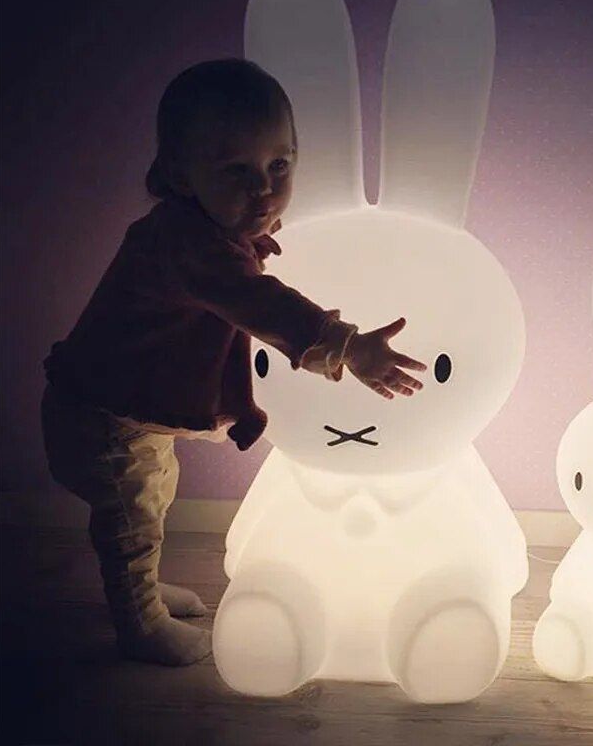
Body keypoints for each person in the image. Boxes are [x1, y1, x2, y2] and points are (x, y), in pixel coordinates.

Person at [40, 58, 427, 666]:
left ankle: (142, 591)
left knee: (151, 500)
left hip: (119, 409)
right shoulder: (188, 243)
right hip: (99, 417)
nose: (264, 190)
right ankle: (139, 623)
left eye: (280, 166)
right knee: (133, 516)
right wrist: (349, 346)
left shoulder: (203, 230)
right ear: (181, 174)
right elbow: (260, 303)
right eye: (237, 171)